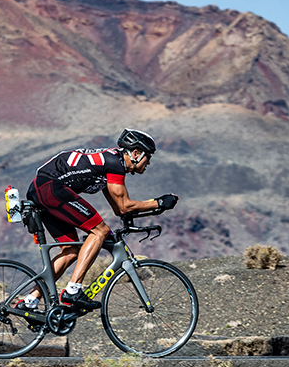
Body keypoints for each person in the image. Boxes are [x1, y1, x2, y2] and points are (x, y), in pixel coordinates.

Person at [20, 128, 178, 312]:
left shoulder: (109, 163)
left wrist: (149, 212)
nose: (149, 162)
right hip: (51, 187)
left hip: (41, 188)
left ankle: (29, 301)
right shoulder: (115, 164)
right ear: (136, 153)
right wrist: (158, 202)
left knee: (71, 250)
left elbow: (119, 209)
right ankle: (73, 290)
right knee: (100, 231)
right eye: (148, 157)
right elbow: (126, 205)